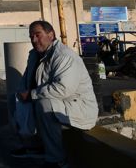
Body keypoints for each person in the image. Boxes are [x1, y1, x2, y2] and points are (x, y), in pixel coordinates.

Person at [12, 20, 98, 168]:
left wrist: (31, 94)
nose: (33, 40)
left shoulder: (64, 56)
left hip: (79, 107)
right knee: (16, 99)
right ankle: (35, 145)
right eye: (31, 36)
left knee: (44, 103)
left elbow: (63, 88)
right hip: (60, 102)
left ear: (51, 35)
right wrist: (21, 93)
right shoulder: (35, 55)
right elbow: (27, 79)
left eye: (38, 35)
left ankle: (56, 159)